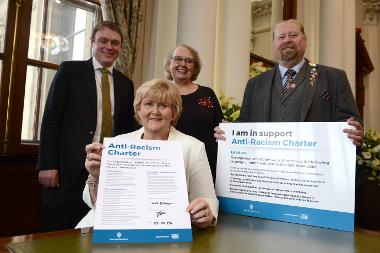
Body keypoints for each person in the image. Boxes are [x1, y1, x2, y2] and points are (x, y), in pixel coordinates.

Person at [76, 79, 218, 229]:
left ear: (174, 112)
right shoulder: (119, 143)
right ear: (138, 109)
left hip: (166, 228)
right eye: (148, 104)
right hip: (114, 226)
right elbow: (96, 203)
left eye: (163, 105)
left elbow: (207, 198)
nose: (155, 111)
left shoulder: (193, 147)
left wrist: (206, 212)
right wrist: (96, 176)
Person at [37, 21, 135, 231]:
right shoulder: (70, 71)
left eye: (115, 43)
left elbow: (127, 128)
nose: (109, 47)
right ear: (92, 42)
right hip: (67, 169)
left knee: (95, 232)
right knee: (59, 232)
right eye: (103, 41)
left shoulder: (126, 84)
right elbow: (51, 119)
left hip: (108, 171)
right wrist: (47, 164)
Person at [215, 19, 363, 145]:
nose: (287, 40)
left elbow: (350, 122)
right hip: (266, 169)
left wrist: (355, 133)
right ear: (274, 44)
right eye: (281, 37)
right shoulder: (255, 84)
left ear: (305, 41)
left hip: (315, 170)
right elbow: (245, 125)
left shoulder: (333, 77)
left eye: (293, 35)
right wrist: (229, 133)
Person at [165, 44, 223, 181]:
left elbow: (219, 126)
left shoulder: (207, 93)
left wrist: (226, 131)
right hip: (169, 165)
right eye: (178, 59)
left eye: (189, 61)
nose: (183, 64)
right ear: (169, 64)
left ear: (195, 67)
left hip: (205, 166)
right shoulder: (160, 93)